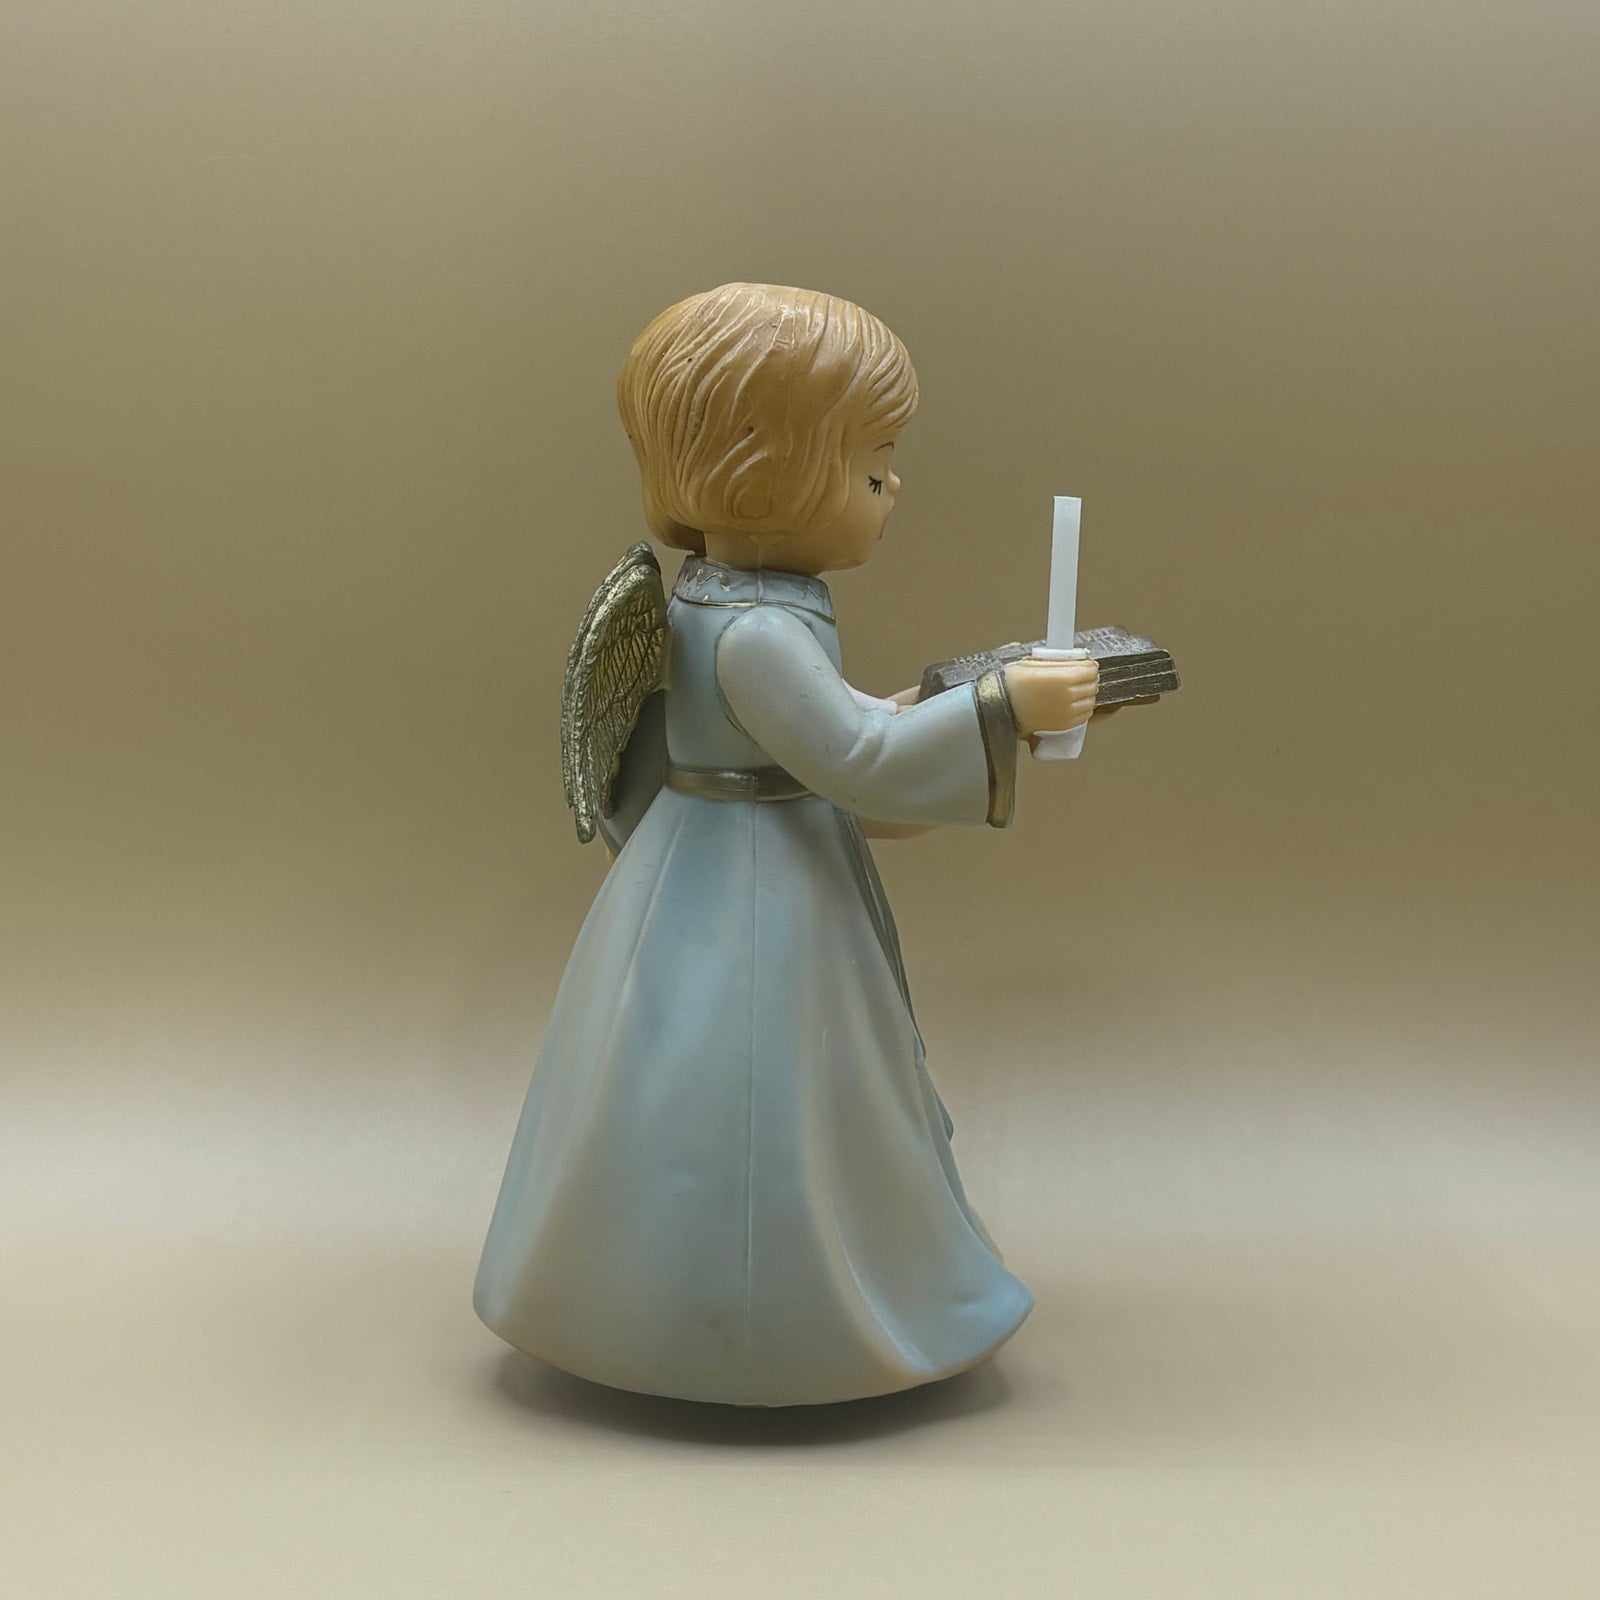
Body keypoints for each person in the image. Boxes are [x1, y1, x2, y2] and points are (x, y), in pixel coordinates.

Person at [473, 283, 1097, 1406]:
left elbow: (833, 729)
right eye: (872, 471)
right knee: (767, 1095)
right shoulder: (758, 631)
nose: (893, 491)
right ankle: (765, 1330)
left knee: (707, 1094)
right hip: (755, 890)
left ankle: (673, 1310)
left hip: (725, 861)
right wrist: (1002, 709)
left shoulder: (722, 598)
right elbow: (856, 760)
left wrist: (954, 699)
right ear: (768, 475)